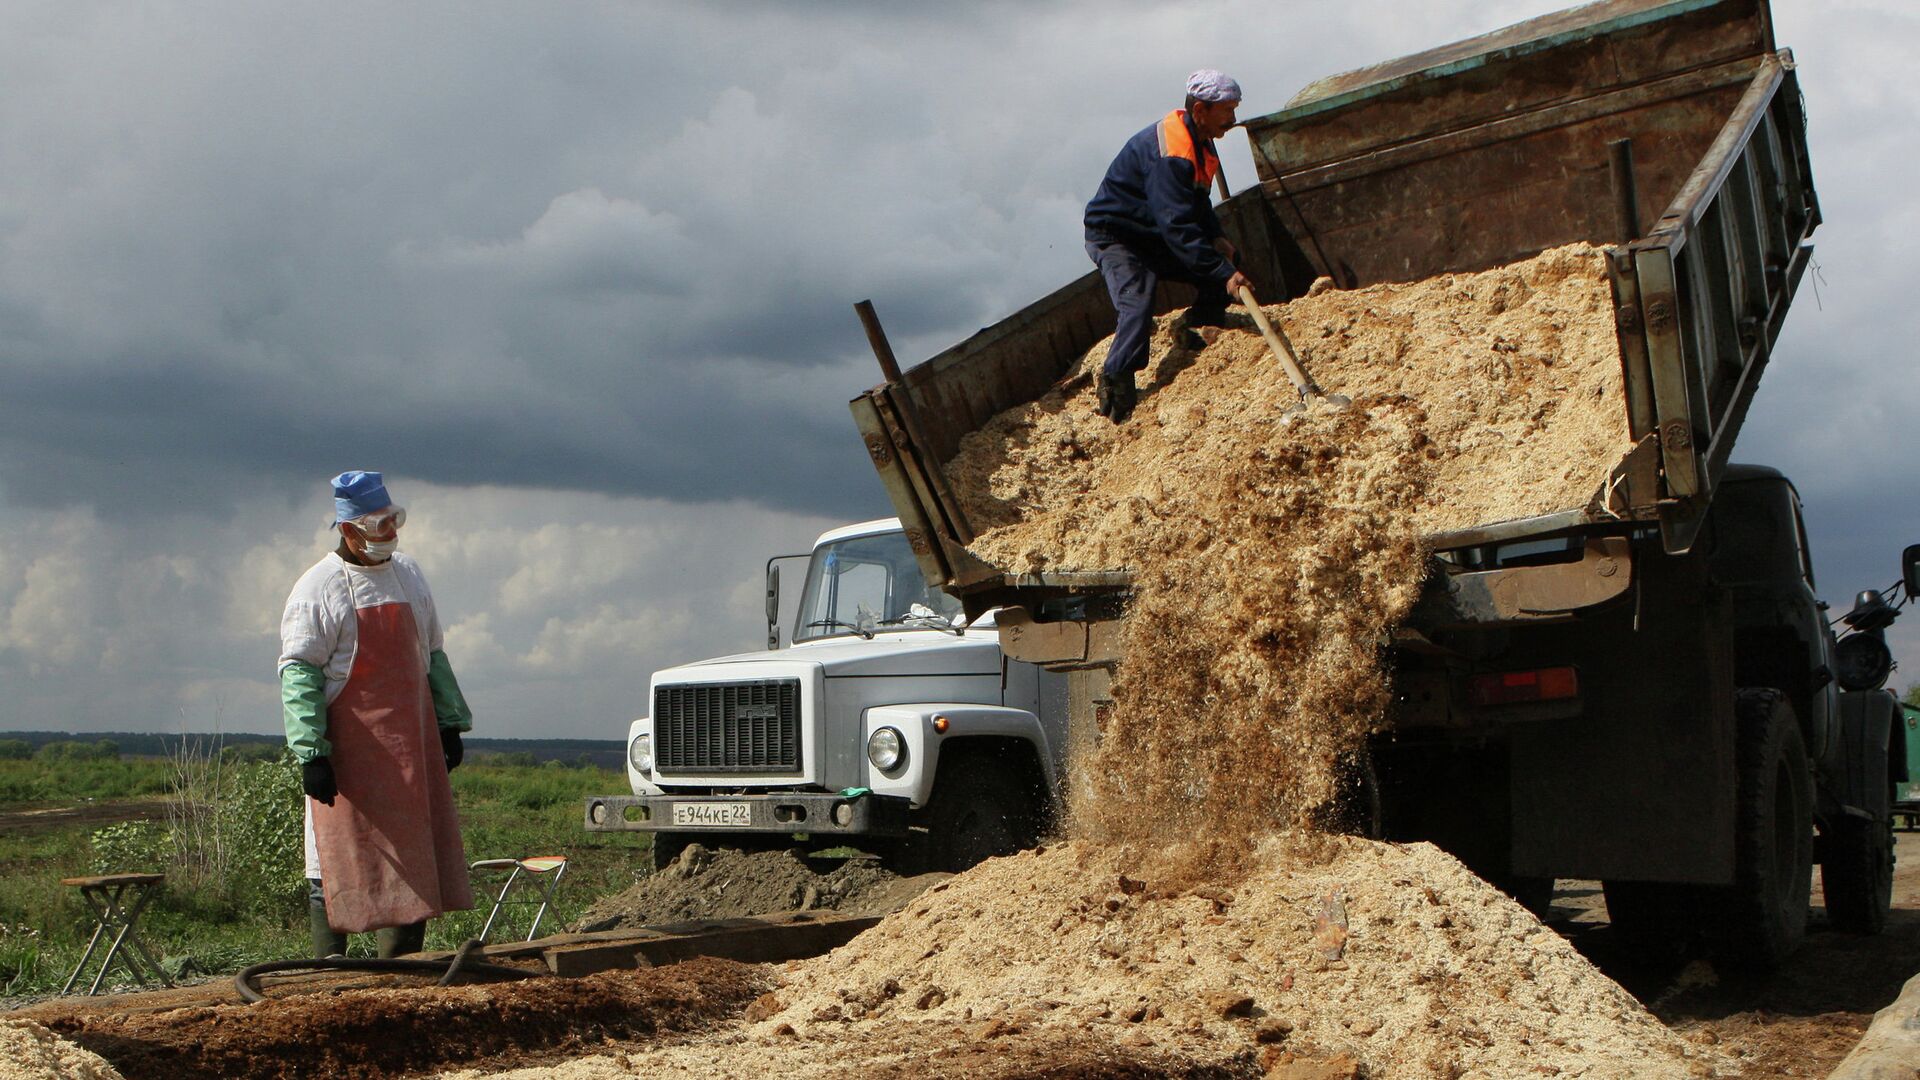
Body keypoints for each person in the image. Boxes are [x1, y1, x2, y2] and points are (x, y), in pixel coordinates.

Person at [279, 470, 474, 959]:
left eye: (394, 522)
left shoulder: (408, 575)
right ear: (349, 530)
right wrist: (311, 754)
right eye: (379, 526)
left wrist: (448, 723)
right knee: (334, 858)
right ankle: (331, 973)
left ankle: (400, 971)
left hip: (409, 750)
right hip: (348, 756)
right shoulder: (317, 588)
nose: (391, 535)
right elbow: (299, 673)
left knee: (412, 857)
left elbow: (432, 653)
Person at [1084, 69, 1257, 423]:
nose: (1233, 118)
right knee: (1138, 300)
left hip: (1153, 231)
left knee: (1220, 259)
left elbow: (1197, 201)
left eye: (1234, 108)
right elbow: (1177, 226)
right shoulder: (1172, 153)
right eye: (1227, 110)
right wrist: (1225, 274)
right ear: (1199, 111)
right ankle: (1116, 380)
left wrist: (1216, 238)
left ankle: (1197, 324)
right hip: (1117, 236)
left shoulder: (1202, 142)